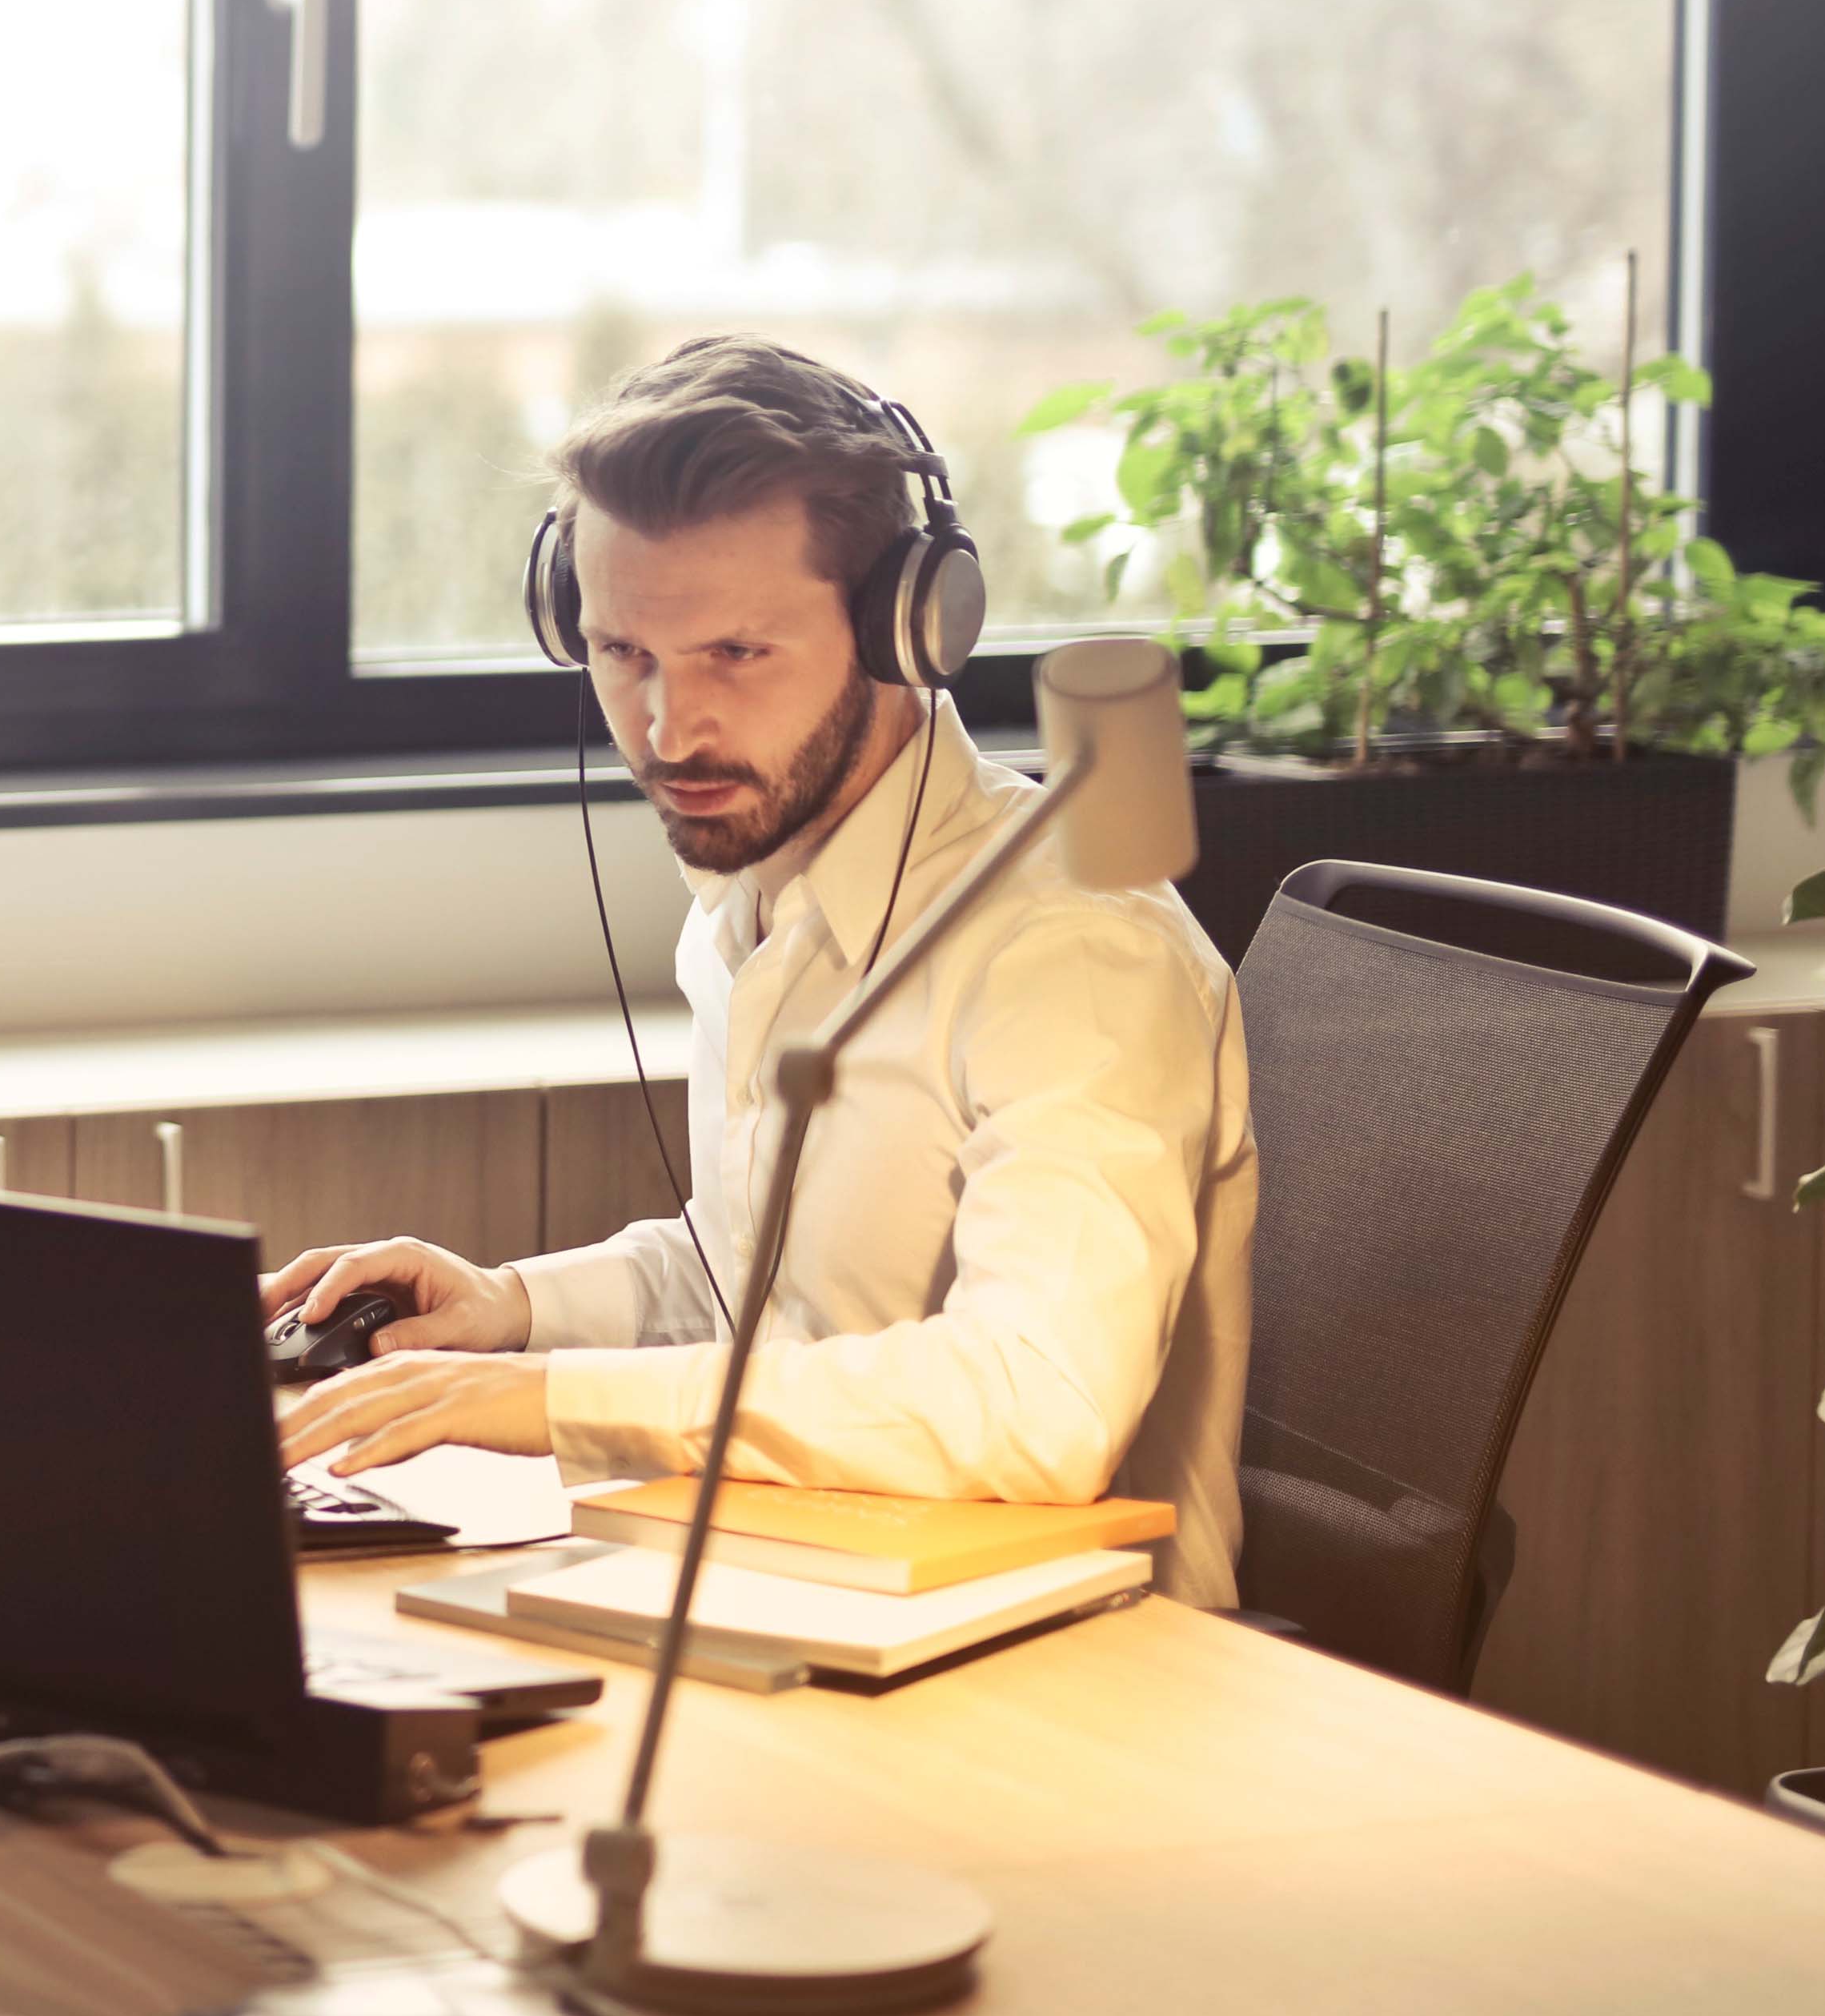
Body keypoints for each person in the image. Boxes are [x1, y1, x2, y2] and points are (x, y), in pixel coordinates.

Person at [271, 335, 1255, 1605]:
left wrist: (553, 1399)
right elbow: (766, 1288)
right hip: (803, 1584)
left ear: (908, 627)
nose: (669, 732)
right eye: (623, 655)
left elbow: (1036, 1404)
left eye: (735, 654)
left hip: (1069, 1667)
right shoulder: (754, 892)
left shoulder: (1073, 948)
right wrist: (512, 1310)